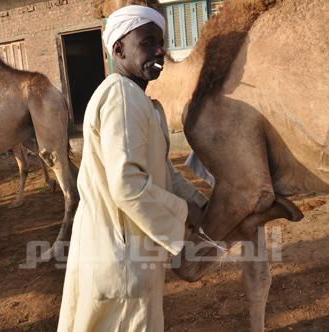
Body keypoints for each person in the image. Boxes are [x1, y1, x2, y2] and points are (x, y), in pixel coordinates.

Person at [57, 5, 208, 331]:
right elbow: (128, 184)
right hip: (121, 254)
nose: (159, 51)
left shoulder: (138, 100)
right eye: (148, 42)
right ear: (118, 49)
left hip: (124, 247)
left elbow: (160, 171)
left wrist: (200, 201)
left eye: (161, 43)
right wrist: (184, 212)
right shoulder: (122, 97)